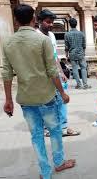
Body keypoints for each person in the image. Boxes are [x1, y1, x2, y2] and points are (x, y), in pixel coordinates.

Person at [2, 4, 75, 179]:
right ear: (34, 19)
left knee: (36, 136)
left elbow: (6, 73)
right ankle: (59, 162)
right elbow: (52, 71)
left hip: (26, 98)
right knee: (55, 129)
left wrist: (8, 100)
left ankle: (45, 172)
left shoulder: (8, 42)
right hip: (46, 96)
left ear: (16, 20)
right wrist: (63, 93)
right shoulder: (41, 40)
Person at [37, 9, 80, 137]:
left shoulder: (51, 35)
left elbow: (54, 55)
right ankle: (47, 128)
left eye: (52, 22)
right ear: (39, 21)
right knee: (46, 102)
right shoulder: (36, 36)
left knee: (61, 99)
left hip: (54, 73)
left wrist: (61, 72)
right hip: (43, 75)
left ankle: (63, 126)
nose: (50, 25)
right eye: (47, 22)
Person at [64, 18, 91, 89]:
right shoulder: (81, 33)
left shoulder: (67, 34)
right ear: (76, 24)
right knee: (83, 68)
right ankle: (85, 84)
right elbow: (84, 45)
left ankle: (79, 85)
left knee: (75, 68)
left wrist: (66, 55)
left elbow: (66, 46)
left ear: (70, 25)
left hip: (72, 53)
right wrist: (83, 53)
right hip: (80, 53)